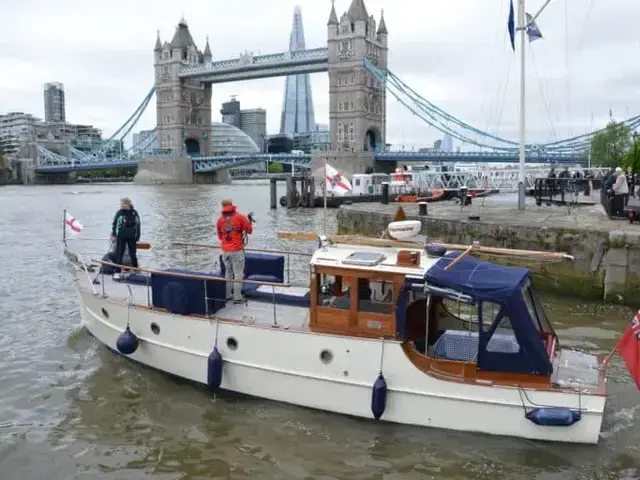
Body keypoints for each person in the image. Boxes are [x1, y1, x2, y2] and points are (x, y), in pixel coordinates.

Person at [216, 199, 253, 303]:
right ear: (232, 205)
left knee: (228, 272)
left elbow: (220, 236)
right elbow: (249, 231)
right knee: (238, 274)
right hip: (236, 250)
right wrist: (249, 222)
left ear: (222, 206)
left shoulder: (219, 220)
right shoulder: (240, 217)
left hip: (225, 251)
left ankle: (228, 295)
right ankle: (237, 297)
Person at [110, 197, 141, 277]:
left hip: (132, 237)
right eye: (121, 204)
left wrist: (137, 236)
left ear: (127, 204)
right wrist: (114, 234)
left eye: (123, 204)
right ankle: (118, 270)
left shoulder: (134, 213)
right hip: (121, 236)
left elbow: (138, 225)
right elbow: (115, 224)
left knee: (133, 254)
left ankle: (135, 269)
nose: (121, 205)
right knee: (120, 253)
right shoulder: (119, 213)